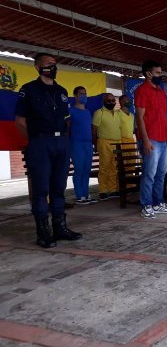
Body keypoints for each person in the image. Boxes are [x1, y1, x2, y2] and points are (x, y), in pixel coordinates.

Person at [15, 52, 82, 248]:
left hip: (61, 142)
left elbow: (67, 120)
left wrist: (64, 140)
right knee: (41, 189)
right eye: (48, 64)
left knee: (59, 188)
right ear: (37, 67)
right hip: (40, 143)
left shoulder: (61, 91)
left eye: (54, 63)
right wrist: (35, 140)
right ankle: (44, 232)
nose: (52, 66)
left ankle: (60, 228)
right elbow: (19, 122)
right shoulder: (28, 90)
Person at [135, 59, 167, 219]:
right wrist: (145, 140)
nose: (160, 75)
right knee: (149, 173)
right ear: (148, 73)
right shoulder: (142, 90)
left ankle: (158, 202)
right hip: (151, 139)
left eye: (161, 73)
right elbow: (140, 118)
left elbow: (164, 116)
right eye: (157, 73)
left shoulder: (161, 91)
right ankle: (146, 204)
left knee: (161, 173)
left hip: (163, 138)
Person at [69, 86, 96, 205]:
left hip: (88, 143)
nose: (84, 95)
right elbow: (67, 127)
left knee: (86, 170)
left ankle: (86, 194)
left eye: (85, 93)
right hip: (76, 143)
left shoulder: (88, 111)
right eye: (81, 94)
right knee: (79, 169)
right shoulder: (71, 111)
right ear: (75, 95)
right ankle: (79, 195)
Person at [92, 93, 121, 201]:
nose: (111, 103)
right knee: (104, 167)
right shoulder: (99, 113)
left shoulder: (118, 113)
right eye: (109, 101)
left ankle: (113, 189)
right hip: (104, 142)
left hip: (117, 143)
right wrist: (95, 144)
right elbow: (94, 130)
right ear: (104, 101)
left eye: (113, 101)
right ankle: (103, 191)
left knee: (114, 167)